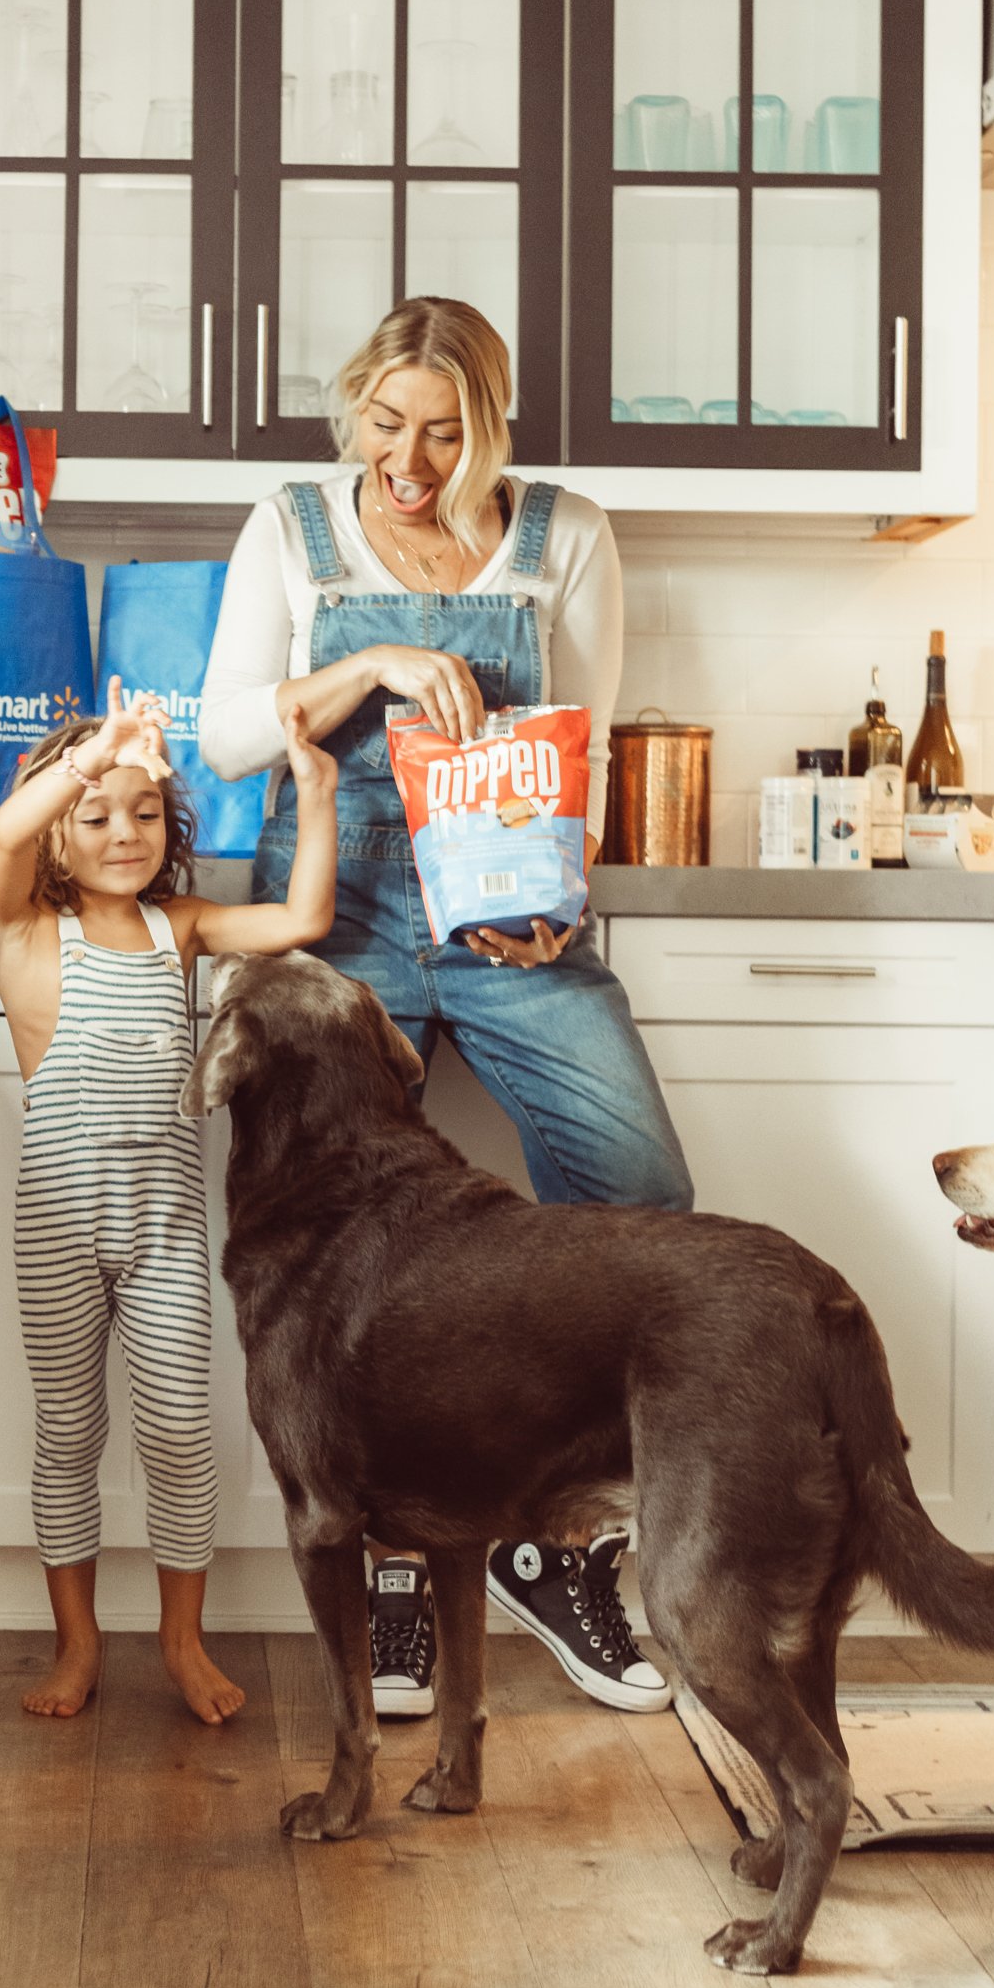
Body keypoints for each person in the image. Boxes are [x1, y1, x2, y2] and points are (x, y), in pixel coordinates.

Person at [199, 296, 693, 1721]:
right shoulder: (290, 529)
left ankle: (556, 1547)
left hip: (510, 930)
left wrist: (556, 878)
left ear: (492, 427)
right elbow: (227, 732)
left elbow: (573, 753)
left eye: (444, 432)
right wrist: (362, 667)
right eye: (386, 423)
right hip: (335, 926)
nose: (410, 461)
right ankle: (405, 1562)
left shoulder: (565, 536)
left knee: (640, 1205)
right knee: (355, 1255)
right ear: (352, 406)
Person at [0, 677, 337, 1724]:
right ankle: (77, 1642)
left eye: (143, 811)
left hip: (166, 1232)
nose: (122, 831)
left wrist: (311, 790)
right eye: (93, 816)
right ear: (57, 838)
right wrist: (92, 757)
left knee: (181, 1432)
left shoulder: (177, 928)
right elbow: (5, 830)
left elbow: (305, 914)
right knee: (68, 1433)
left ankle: (182, 1641)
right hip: (57, 1229)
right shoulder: (27, 931)